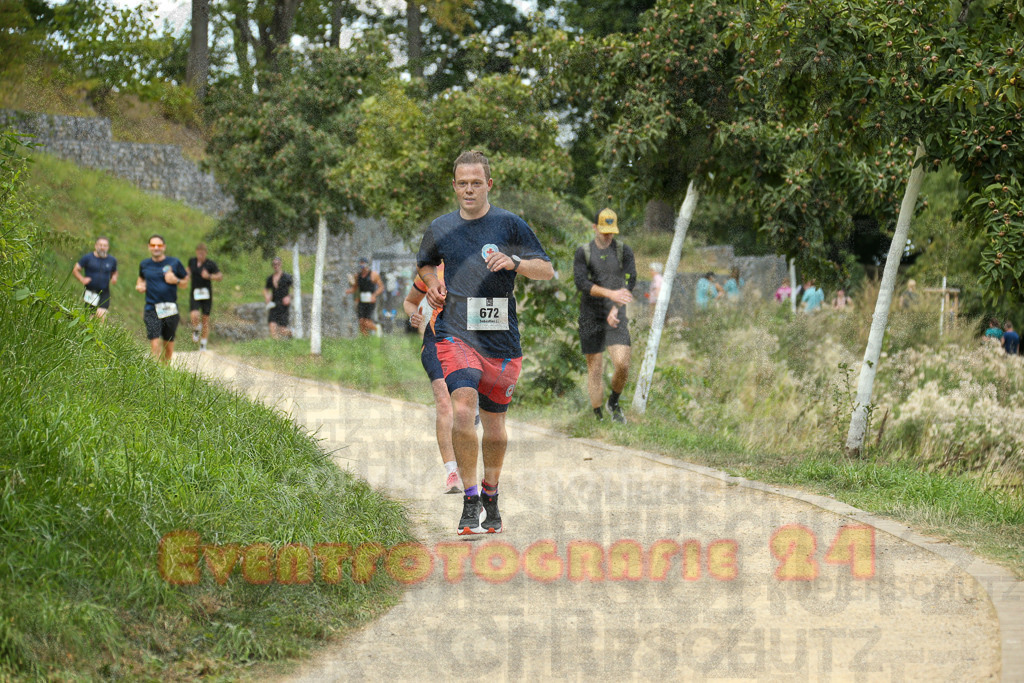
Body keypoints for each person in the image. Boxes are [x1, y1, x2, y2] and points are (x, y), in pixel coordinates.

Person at [417, 150, 554, 536]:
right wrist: (433, 283)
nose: (469, 190)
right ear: (454, 186)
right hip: (456, 332)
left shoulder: (510, 225)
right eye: (462, 183)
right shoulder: (440, 227)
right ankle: (470, 499)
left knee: (494, 428)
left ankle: (491, 495)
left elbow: (546, 269)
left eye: (476, 183)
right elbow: (425, 263)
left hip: (501, 340)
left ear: (489, 184)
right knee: (462, 409)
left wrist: (515, 263)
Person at [573, 207, 637, 424]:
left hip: (615, 314)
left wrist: (616, 306)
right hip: (590, 315)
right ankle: (598, 417)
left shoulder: (623, 251)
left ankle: (614, 402)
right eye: (604, 231)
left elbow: (630, 280)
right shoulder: (583, 252)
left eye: (611, 232)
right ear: (594, 228)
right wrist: (610, 293)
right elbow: (582, 283)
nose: (608, 236)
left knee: (623, 364)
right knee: (595, 368)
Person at [404, 263, 463, 494]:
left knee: (464, 408)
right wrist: (414, 316)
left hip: (470, 346)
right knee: (444, 402)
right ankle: (452, 472)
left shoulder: (479, 263)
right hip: (435, 343)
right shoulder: (431, 272)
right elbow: (410, 302)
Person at [135, 234, 189, 363]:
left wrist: (176, 280)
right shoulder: (144, 264)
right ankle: (155, 370)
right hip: (151, 308)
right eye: (153, 245)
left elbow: (185, 283)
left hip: (169, 308)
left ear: (164, 247)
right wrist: (139, 286)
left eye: (159, 245)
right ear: (149, 247)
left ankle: (165, 369)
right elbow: (140, 279)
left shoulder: (174, 262)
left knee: (168, 346)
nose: (156, 248)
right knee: (155, 343)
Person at [188, 243, 222, 352]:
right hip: (195, 293)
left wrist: (209, 276)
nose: (201, 255)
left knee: (205, 319)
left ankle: (203, 345)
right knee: (194, 315)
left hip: (206, 295)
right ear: (196, 252)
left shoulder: (210, 264)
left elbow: (220, 276)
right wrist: (185, 275)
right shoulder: (192, 261)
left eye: (202, 253)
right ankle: (196, 328)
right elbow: (187, 270)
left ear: (206, 253)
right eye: (199, 253)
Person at [72, 236, 118, 318]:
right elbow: (75, 269)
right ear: (96, 246)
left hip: (104, 292)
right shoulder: (88, 258)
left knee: (101, 315)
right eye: (100, 245)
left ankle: (100, 325)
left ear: (108, 247)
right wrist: (82, 279)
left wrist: (114, 277)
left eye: (105, 246)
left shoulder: (112, 260)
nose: (102, 247)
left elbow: (114, 271)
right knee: (90, 317)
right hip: (90, 291)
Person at [345, 257, 384, 336]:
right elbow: (355, 287)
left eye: (363, 264)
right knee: (361, 322)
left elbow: (381, 287)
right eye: (361, 264)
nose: (362, 266)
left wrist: (374, 295)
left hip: (370, 301)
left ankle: (377, 328)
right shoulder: (357, 276)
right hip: (361, 301)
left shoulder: (373, 275)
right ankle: (366, 339)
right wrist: (349, 291)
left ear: (367, 265)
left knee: (366, 322)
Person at [264, 257, 293, 339]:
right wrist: (267, 296)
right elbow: (266, 289)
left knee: (282, 330)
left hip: (283, 305)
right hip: (274, 304)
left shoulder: (287, 277)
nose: (276, 266)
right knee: (272, 327)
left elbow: (295, 289)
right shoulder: (270, 278)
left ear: (281, 264)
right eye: (274, 264)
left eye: (277, 264)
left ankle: (292, 333)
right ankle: (275, 344)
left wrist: (289, 297)